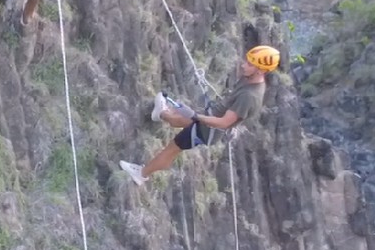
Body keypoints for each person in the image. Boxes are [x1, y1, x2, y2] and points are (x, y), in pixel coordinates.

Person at [118, 45, 280, 185]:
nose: (243, 65)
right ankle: (161, 114)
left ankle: (142, 174)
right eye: (246, 60)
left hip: (208, 130)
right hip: (209, 120)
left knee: (173, 148)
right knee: (179, 126)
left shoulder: (249, 97)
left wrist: (196, 116)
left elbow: (224, 123)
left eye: (249, 64)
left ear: (260, 70)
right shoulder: (249, 80)